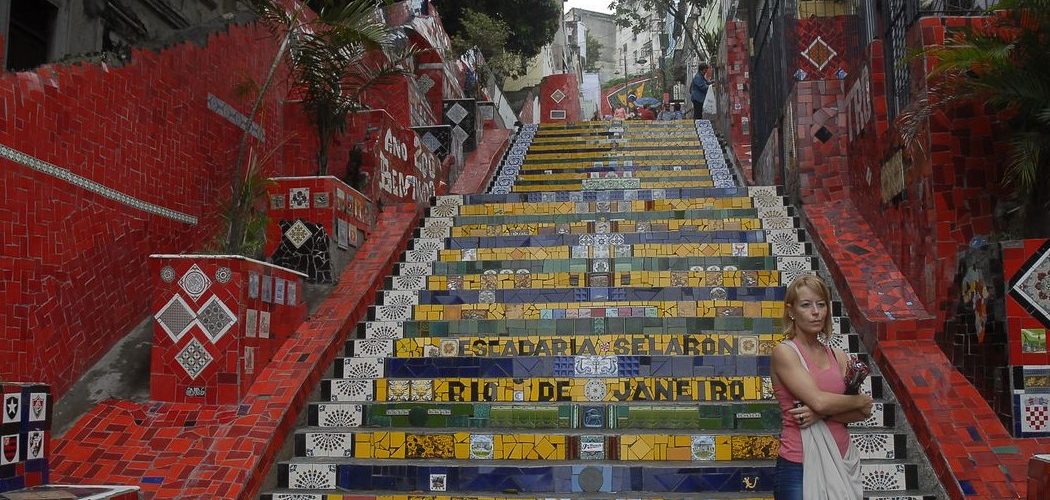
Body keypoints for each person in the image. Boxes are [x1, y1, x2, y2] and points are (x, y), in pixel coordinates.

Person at [771, 274, 873, 500]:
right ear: (791, 311)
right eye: (806, 305)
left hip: (843, 457)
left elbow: (861, 415)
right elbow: (821, 401)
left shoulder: (838, 357)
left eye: (821, 304)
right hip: (800, 462)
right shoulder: (785, 353)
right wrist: (859, 401)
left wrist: (820, 415)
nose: (815, 312)